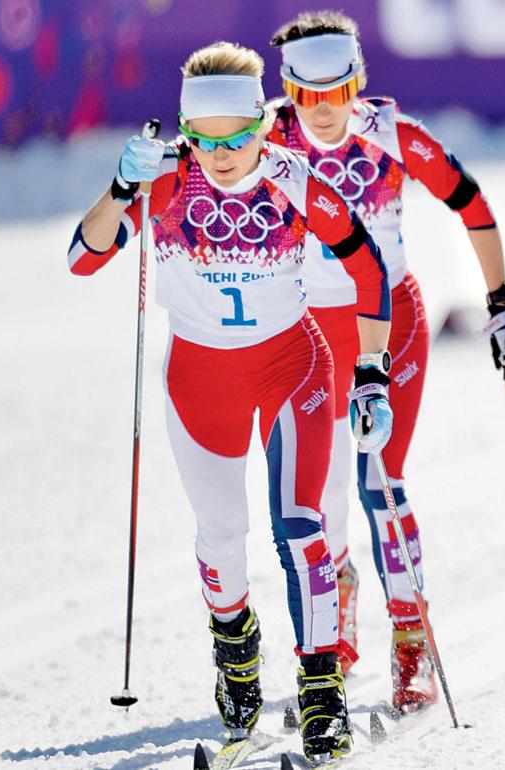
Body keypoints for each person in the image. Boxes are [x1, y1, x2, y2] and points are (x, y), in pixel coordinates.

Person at [67, 41, 394, 763]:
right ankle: (237, 660)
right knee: (221, 534)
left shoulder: (293, 177)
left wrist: (370, 370)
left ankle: (322, 694)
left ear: (261, 126)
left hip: (292, 368)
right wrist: (120, 189)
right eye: (204, 140)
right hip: (200, 380)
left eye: (237, 138)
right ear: (187, 131)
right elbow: (82, 258)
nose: (220, 156)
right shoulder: (165, 180)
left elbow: (369, 268)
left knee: (302, 528)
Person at [268, 11, 505, 713]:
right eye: (305, 95)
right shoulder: (263, 138)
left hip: (389, 327)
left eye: (337, 91)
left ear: (358, 80)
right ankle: (337, 613)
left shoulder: (390, 133)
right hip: (305, 334)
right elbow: (199, 165)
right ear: (287, 90)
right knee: (314, 499)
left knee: (378, 480)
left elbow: (470, 202)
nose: (322, 110)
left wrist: (502, 306)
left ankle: (412, 636)